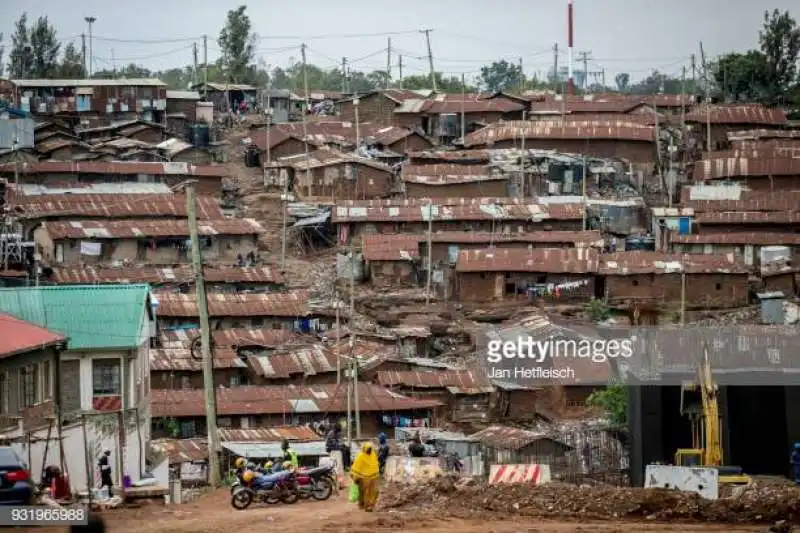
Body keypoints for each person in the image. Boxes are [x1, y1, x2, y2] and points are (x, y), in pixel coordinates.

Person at [350, 443, 380, 512]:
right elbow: (356, 468)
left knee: (374, 492)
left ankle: (370, 506)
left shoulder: (373, 455)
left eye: (370, 449)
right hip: (363, 478)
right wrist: (355, 478)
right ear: (364, 449)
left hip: (374, 477)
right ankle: (363, 505)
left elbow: (376, 464)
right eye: (368, 449)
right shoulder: (361, 456)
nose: (369, 451)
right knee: (363, 493)